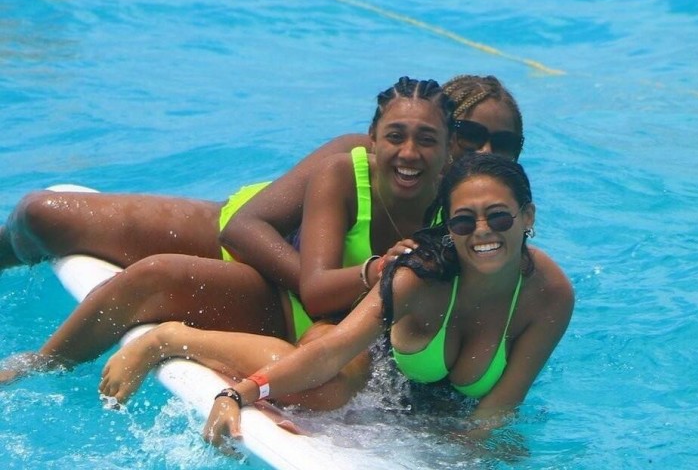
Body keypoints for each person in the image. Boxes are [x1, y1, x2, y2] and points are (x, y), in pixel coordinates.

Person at [0, 76, 455, 382]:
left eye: (427, 140)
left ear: (450, 148)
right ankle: (38, 363)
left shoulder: (463, 209)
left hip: (318, 321)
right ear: (373, 136)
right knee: (51, 218)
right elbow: (272, 255)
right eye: (395, 135)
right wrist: (363, 277)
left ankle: (53, 364)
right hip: (275, 274)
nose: (409, 152)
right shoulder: (346, 169)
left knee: (154, 278)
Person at [98, 153, 574, 444]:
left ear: (528, 216)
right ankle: (172, 338)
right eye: (464, 221)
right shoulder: (421, 277)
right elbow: (330, 353)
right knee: (324, 392)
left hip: (436, 415)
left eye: (499, 217)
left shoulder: (550, 295)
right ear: (448, 226)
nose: (483, 232)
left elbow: (498, 408)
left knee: (506, 449)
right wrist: (236, 393)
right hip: (363, 369)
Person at [0, 74, 524, 292]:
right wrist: (322, 290)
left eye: (503, 144)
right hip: (242, 241)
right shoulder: (361, 160)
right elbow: (245, 229)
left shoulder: (485, 222)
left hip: (305, 296)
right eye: (472, 135)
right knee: (42, 215)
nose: (485, 153)